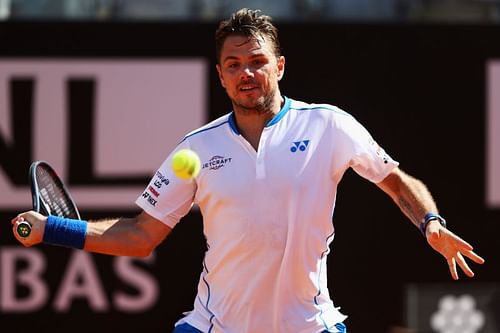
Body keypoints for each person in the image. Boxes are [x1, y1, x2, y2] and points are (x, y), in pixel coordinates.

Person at [12, 8, 485, 333]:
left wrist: (431, 223)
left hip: (311, 324)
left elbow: (397, 181)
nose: (246, 73)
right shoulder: (196, 150)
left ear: (278, 66)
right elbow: (140, 236)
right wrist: (54, 229)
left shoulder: (328, 125)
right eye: (233, 64)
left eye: (257, 62)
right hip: (215, 326)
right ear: (220, 75)